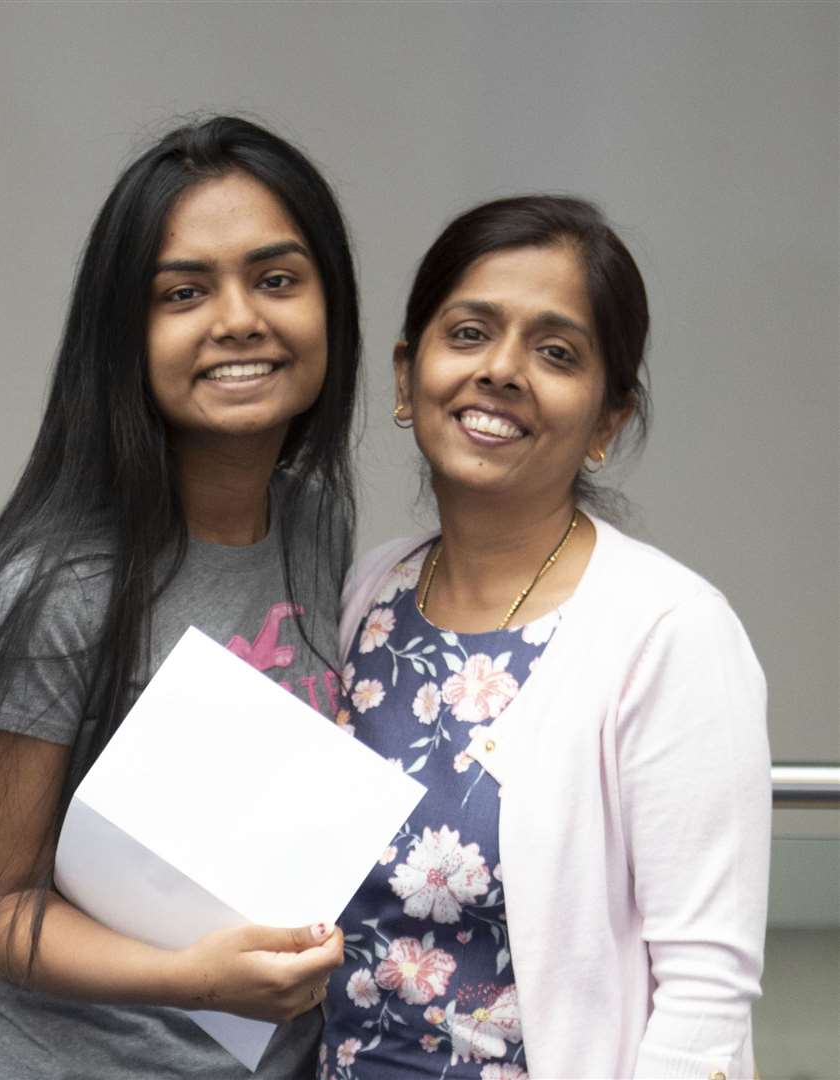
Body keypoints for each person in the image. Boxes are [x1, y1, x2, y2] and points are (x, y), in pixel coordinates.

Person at [0, 116, 361, 1079]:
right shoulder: (54, 585)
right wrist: (193, 979)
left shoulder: (320, 530)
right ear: (125, 333)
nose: (240, 318)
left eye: (277, 279)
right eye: (184, 292)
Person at [322, 196, 769, 1079]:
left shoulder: (668, 630)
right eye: (470, 333)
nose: (502, 369)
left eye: (556, 353)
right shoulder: (368, 593)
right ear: (408, 378)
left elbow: (705, 999)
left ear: (607, 420)